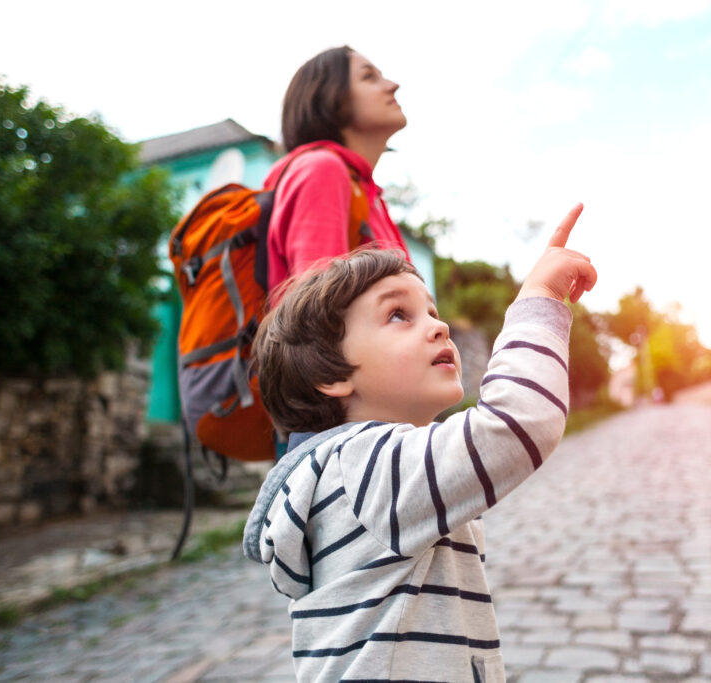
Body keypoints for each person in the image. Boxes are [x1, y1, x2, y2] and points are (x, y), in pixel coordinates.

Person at [243, 205, 597, 682]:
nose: (439, 325)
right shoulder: (365, 467)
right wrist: (539, 297)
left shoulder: (347, 476)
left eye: (431, 310)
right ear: (331, 374)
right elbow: (519, 421)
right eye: (398, 315)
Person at [263, 46, 411, 303]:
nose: (393, 85)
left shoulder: (367, 194)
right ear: (331, 97)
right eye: (369, 77)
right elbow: (318, 315)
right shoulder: (322, 171)